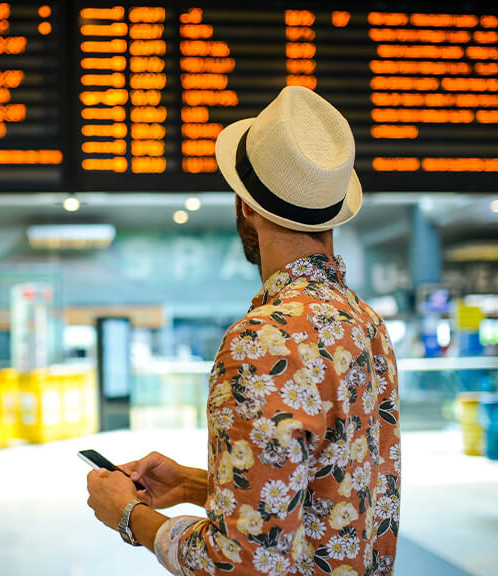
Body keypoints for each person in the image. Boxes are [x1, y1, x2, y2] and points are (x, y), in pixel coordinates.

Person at [86, 86, 401, 575]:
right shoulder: (364, 322)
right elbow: (331, 498)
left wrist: (130, 516)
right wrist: (192, 485)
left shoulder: (263, 339)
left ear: (246, 206)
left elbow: (243, 562)